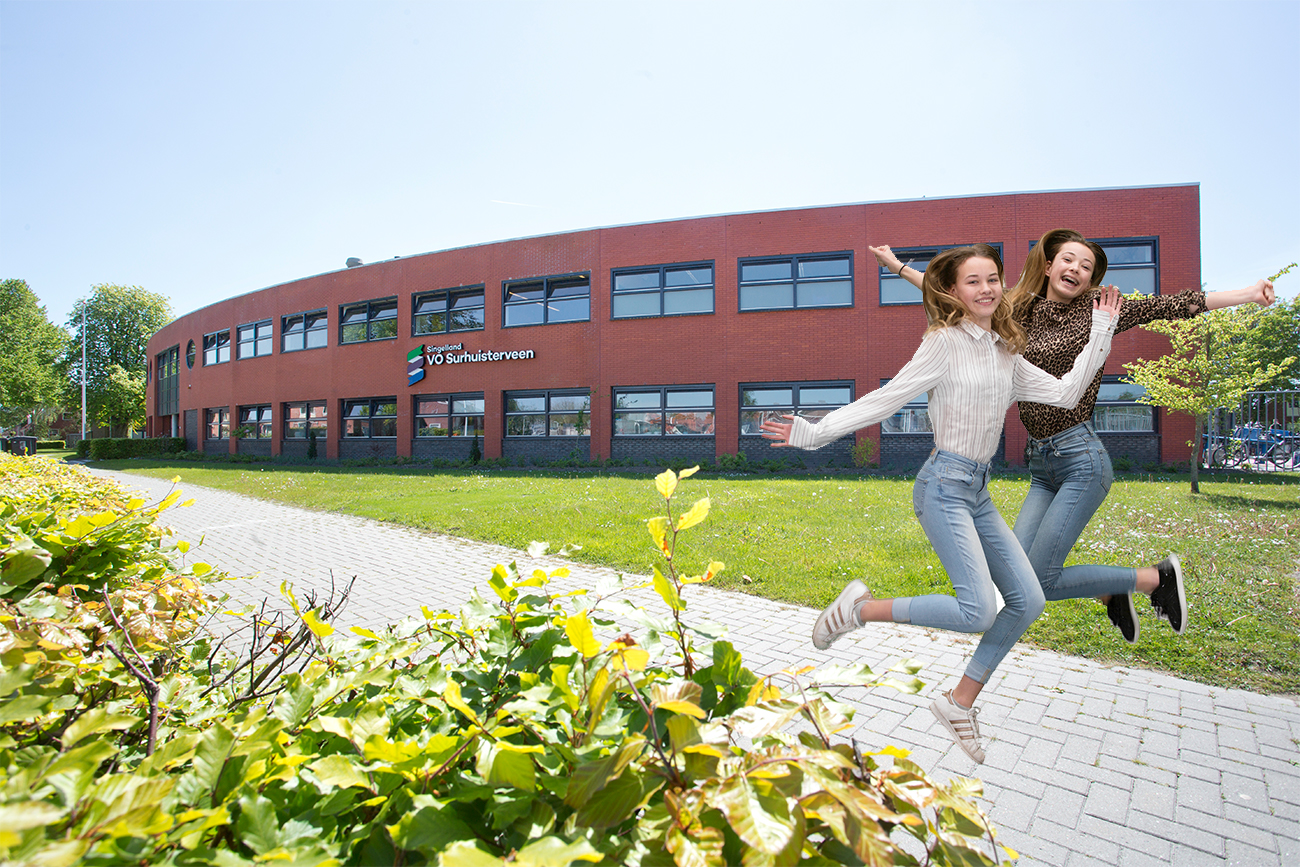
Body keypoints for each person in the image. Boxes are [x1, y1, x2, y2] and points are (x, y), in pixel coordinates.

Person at [760, 244, 1123, 763]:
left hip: (977, 489)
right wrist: (815, 433)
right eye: (973, 281)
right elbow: (890, 396)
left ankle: (958, 703)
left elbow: (1067, 395)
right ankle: (858, 610)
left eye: (993, 279)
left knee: (1029, 600)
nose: (987, 289)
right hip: (943, 485)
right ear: (953, 292)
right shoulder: (943, 343)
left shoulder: (1006, 350)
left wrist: (1103, 329)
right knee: (978, 610)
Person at [874, 231, 1275, 644]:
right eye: (1069, 260)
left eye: (1086, 267)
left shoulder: (1099, 311)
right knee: (1023, 578)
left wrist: (1247, 293)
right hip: (1042, 463)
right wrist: (896, 266)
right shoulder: (1014, 308)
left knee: (1040, 581)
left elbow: (1173, 306)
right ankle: (1110, 591)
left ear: (1090, 279)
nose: (1076, 270)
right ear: (1049, 266)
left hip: (1080, 457)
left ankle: (1156, 579)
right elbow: (954, 293)